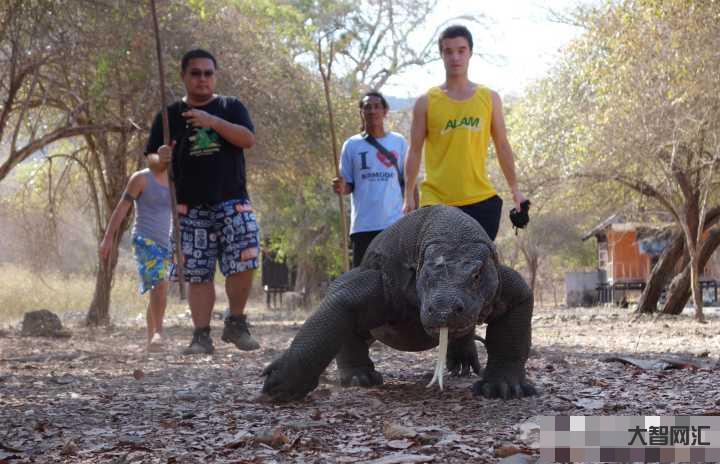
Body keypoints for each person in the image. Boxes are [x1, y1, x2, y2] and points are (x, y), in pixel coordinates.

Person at [146, 48, 260, 355]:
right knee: (197, 272)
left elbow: (248, 139)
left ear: (215, 76)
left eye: (208, 73)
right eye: (195, 73)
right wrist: (162, 157)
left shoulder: (230, 106)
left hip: (232, 200)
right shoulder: (168, 116)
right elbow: (153, 160)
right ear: (184, 76)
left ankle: (235, 322)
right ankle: (201, 335)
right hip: (189, 206)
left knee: (244, 260)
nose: (202, 79)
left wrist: (213, 122)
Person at [403, 25, 528, 240]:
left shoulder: (489, 98)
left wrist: (515, 189)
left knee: (479, 269)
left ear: (470, 52)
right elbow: (414, 150)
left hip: (480, 200)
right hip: (437, 201)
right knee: (439, 268)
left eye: (461, 50)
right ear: (441, 55)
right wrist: (408, 195)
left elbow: (502, 145)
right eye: (448, 51)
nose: (455, 57)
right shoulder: (426, 102)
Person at [99, 161, 171, 352]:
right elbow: (122, 208)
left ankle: (151, 343)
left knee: (158, 290)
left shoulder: (175, 179)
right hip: (144, 240)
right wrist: (108, 237)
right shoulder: (141, 178)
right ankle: (159, 332)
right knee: (159, 284)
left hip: (166, 243)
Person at [333, 91, 408, 267]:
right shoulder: (351, 145)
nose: (372, 111)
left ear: (385, 111)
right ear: (361, 112)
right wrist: (340, 187)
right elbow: (348, 184)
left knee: (397, 281)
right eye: (367, 107)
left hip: (394, 225)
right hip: (363, 226)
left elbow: (409, 183)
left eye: (376, 106)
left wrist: (416, 216)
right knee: (363, 283)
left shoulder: (399, 142)